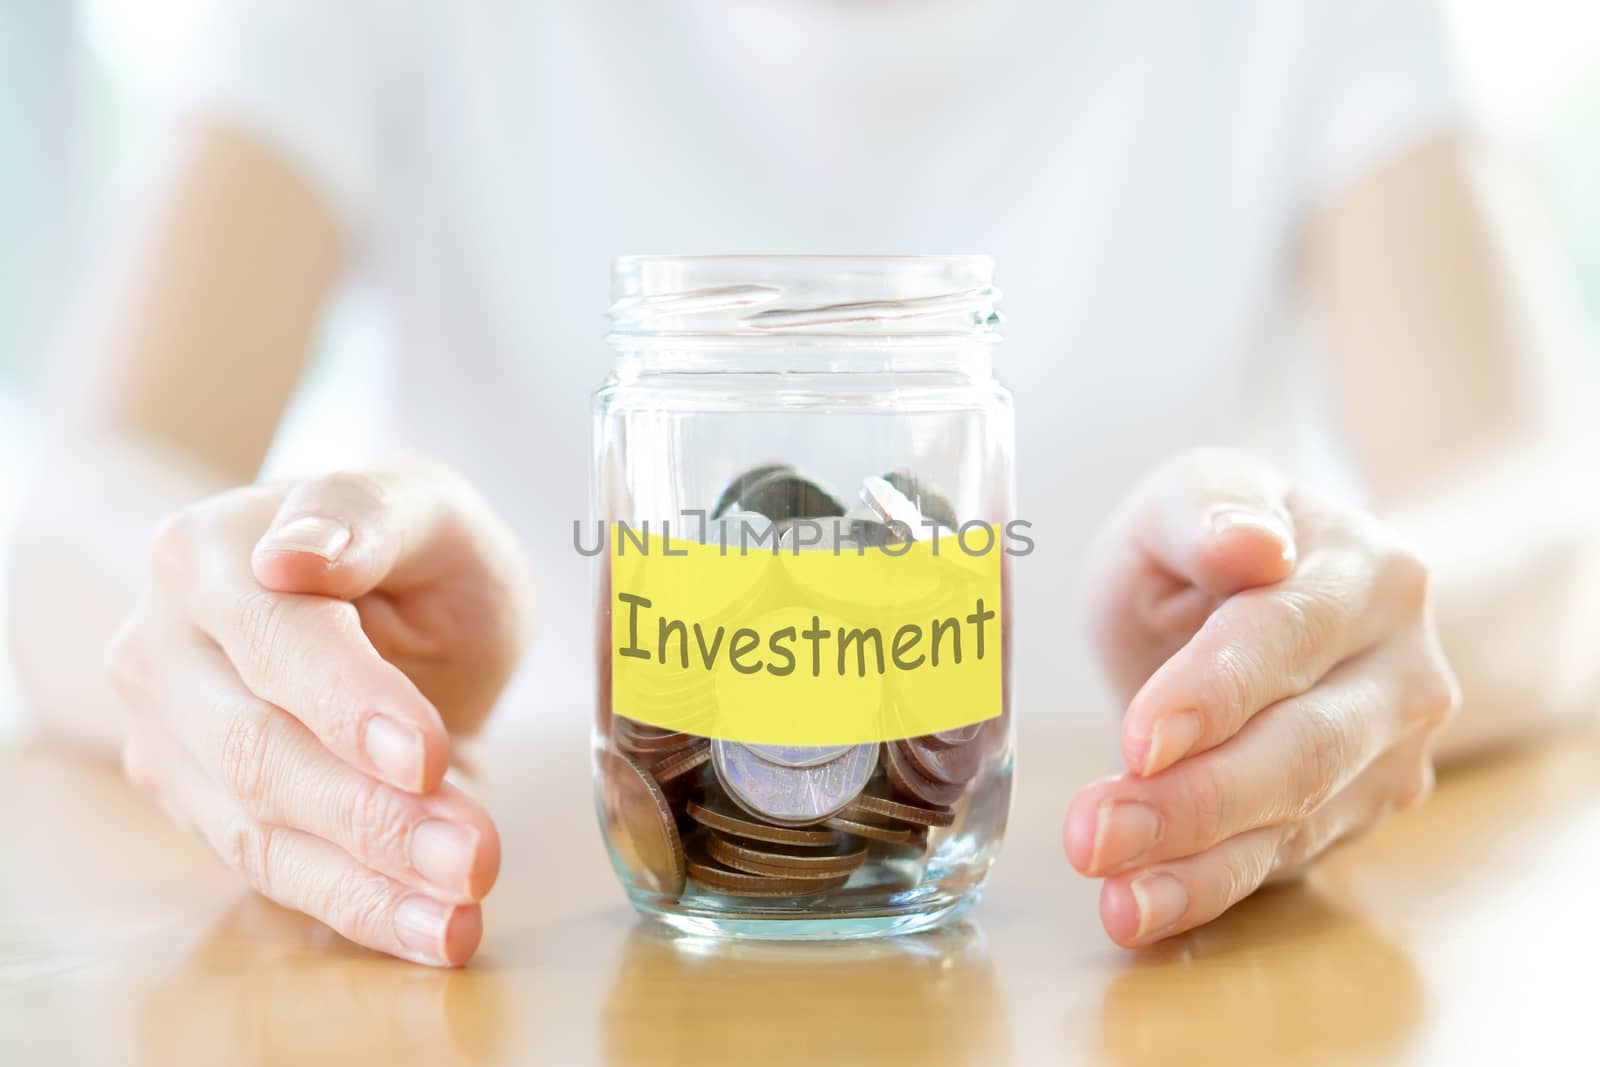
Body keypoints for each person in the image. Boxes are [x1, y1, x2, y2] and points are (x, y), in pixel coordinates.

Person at [8, 0, 1599, 968]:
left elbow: (1546, 503)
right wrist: (259, 608)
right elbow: (66, 502)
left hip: (1088, 956)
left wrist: (1320, 618)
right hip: (569, 943)